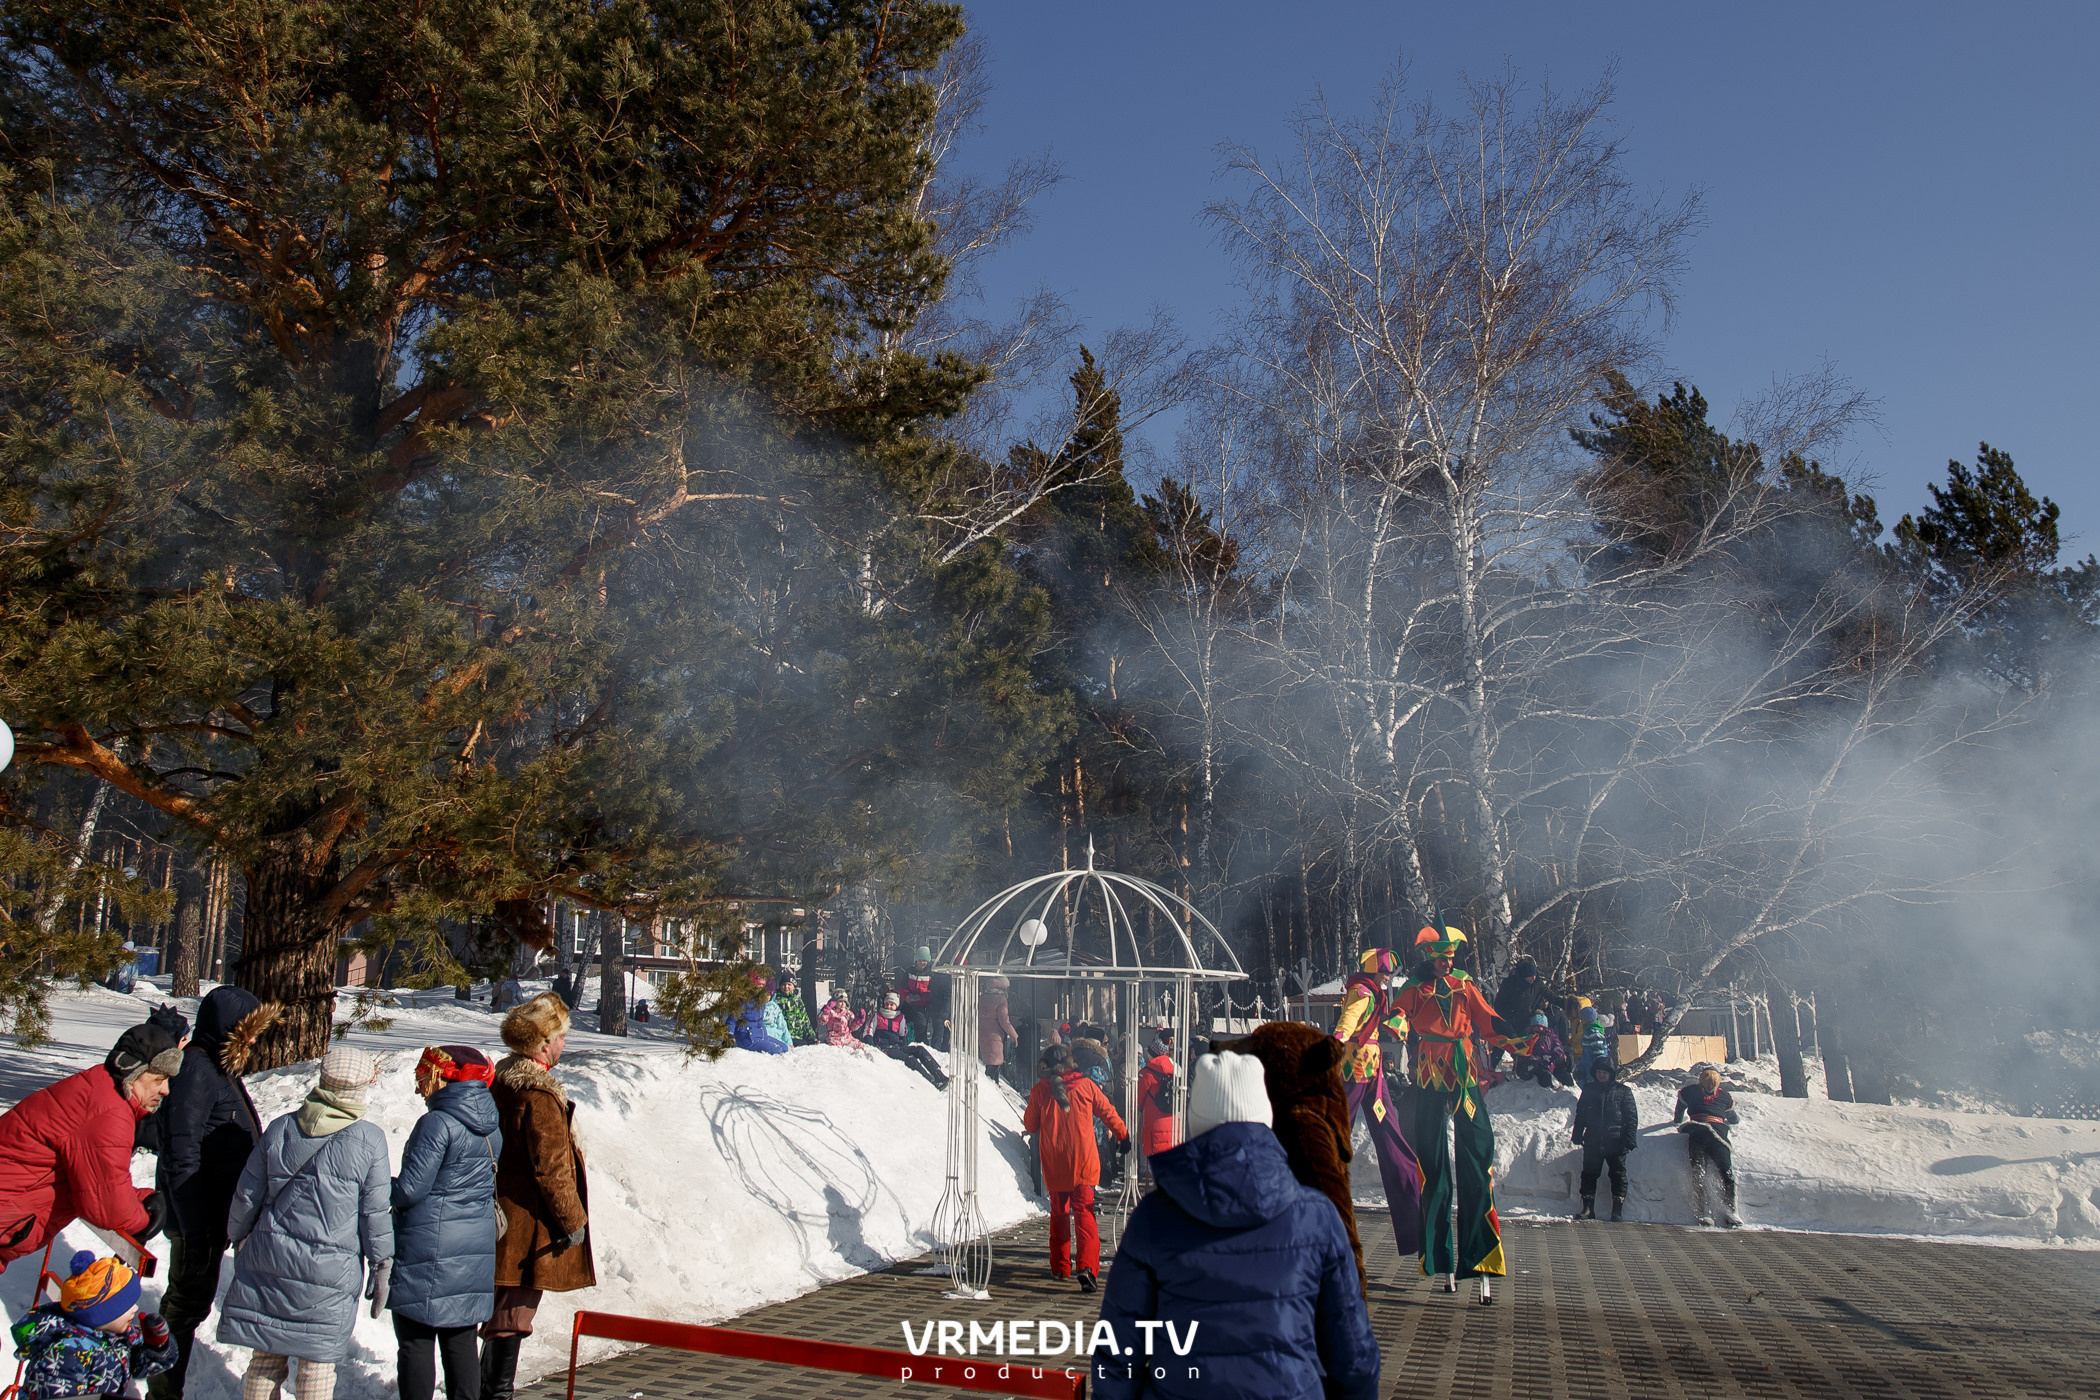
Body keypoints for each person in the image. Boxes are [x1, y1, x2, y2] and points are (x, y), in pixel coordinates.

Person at [1094, 1053, 1379, 1400]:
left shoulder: (1154, 1218)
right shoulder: (1317, 1217)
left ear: (1195, 1123)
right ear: (1265, 1120)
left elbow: (1118, 1348)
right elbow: (1354, 1354)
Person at [218, 1047, 393, 1400]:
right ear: (359, 1089)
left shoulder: (282, 1127)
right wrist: (382, 1264)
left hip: (269, 1260)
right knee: (316, 1366)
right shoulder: (369, 1140)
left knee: (265, 1358)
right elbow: (374, 1213)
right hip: (329, 1275)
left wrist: (237, 1235)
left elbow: (248, 1194)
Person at [1386, 926, 1538, 1301]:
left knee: (1476, 1160)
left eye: (1451, 957)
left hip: (1465, 1074)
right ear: (1429, 957)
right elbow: (1399, 1013)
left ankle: (1480, 1258)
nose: (1447, 962)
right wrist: (1396, 1025)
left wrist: (1518, 1042)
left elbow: (1488, 1021)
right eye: (1441, 957)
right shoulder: (1414, 988)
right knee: (1433, 1167)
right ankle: (1440, 1258)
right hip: (1429, 1078)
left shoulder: (1465, 985)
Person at [148, 986, 281, 1400]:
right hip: (196, 1216)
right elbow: (181, 1152)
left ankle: (163, 1386)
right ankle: (162, 1392)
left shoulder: (214, 1069)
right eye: (248, 1033)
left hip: (207, 1215)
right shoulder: (197, 1072)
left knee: (188, 1302)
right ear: (228, 1030)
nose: (255, 1041)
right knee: (186, 1306)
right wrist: (195, 1227)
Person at [486, 994, 595, 1400]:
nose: (565, 1044)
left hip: (502, 1214)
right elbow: (552, 1167)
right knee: (512, 1316)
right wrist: (572, 1220)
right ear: (544, 1040)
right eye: (562, 1036)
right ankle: (496, 1394)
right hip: (527, 1224)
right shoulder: (538, 1094)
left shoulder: (504, 1080)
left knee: (502, 1312)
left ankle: (491, 1390)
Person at [0, 1020, 177, 1267]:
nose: (166, 1090)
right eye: (159, 1079)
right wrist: (144, 1219)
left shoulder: (99, 1089)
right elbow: (107, 1207)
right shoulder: (110, 1112)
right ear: (133, 1072)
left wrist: (137, 1200)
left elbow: (94, 1182)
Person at [390, 1046, 502, 1400]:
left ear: (442, 1076)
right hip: (473, 1247)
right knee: (460, 1341)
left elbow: (410, 1189)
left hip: (430, 1248)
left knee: (416, 1341)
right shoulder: (489, 1125)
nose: (418, 1087)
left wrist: (377, 1184)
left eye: (423, 1078)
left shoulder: (436, 1123)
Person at [1330, 947, 1424, 1257]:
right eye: (1384, 972)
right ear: (1373, 971)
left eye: (1388, 973)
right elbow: (1348, 1020)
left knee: (1390, 1136)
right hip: (1356, 1069)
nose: (1387, 977)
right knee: (1336, 1135)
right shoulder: (1362, 990)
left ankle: (1415, 1209)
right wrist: (1336, 1042)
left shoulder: (1370, 990)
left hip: (1372, 1070)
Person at [1022, 1045, 1129, 1292]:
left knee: (1059, 1213)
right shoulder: (1086, 1085)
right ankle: (1088, 1268)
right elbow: (1107, 1112)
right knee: (1085, 1214)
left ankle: (1060, 1266)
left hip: (1055, 1161)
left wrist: (1036, 1100)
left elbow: (1030, 1124)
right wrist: (1123, 1136)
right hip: (1083, 1161)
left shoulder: (1041, 1090)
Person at [9, 1250, 178, 1400]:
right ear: (102, 1315)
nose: (136, 1309)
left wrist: (157, 1346)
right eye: (126, 1306)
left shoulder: (117, 1334)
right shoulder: (66, 1353)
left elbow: (141, 1367)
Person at [1569, 1059, 1639, 1221]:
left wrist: (1629, 1140)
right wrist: (1577, 1134)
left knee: (1618, 1175)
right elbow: (1581, 1114)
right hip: (1593, 1139)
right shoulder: (1589, 1090)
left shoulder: (1623, 1091)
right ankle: (1587, 1209)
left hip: (1616, 1140)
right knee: (1589, 1174)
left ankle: (1617, 1211)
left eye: (1604, 1073)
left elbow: (1631, 1118)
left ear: (1611, 1074)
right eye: (1599, 1072)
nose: (1601, 1075)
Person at [1674, 1066, 1742, 1227]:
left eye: (1713, 1082)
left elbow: (1733, 1118)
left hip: (1718, 1136)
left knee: (1727, 1172)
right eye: (1707, 1082)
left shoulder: (1725, 1097)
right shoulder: (1689, 1092)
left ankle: (1732, 1211)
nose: (1710, 1085)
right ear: (1701, 1082)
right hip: (1698, 1132)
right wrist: (1677, 1120)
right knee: (1698, 1173)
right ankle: (1704, 1212)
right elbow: (1679, 1112)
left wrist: (1734, 1120)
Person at [863, 994, 951, 1089]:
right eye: (887, 1004)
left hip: (897, 1046)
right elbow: (868, 1031)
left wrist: (903, 1045)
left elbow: (903, 1033)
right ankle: (931, 1081)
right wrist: (871, 1044)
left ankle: (939, 1075)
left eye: (891, 1004)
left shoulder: (900, 1017)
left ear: (896, 1005)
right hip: (885, 1047)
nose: (889, 1006)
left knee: (920, 1050)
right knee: (910, 1059)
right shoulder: (878, 1015)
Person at [1489, 956, 1547, 1071]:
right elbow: (1499, 1004)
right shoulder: (1510, 984)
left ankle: (1522, 1066)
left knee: (1523, 1045)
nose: (1533, 978)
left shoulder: (1535, 984)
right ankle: (1491, 1067)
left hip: (1524, 1020)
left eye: (1534, 975)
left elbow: (1542, 996)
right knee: (1504, 1043)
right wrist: (1506, 1018)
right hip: (1508, 1019)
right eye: (1531, 976)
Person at [1134, 1031, 1179, 1166]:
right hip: (1172, 1122)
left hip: (1153, 1124)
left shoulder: (1146, 1074)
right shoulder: (1175, 1070)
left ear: (1152, 1054)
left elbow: (1138, 1100)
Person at [729, 968, 790, 1055]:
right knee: (777, 1051)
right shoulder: (744, 1000)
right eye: (757, 987)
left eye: (762, 988)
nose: (759, 990)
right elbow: (732, 1019)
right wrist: (729, 1034)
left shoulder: (760, 1000)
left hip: (761, 1035)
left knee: (784, 1048)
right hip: (748, 1037)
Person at [1512, 1011, 1573, 1089]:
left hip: (1551, 1063)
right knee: (1545, 1078)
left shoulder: (1551, 1037)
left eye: (1538, 1027)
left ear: (1544, 1027)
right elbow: (1526, 1051)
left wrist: (1552, 1056)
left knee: (1566, 1078)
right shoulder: (1530, 1038)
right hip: (1539, 1065)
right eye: (1534, 1027)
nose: (1536, 1029)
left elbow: (1558, 1048)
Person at [978, 976, 1018, 1084]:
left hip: (982, 1034)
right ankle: (992, 1090)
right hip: (995, 1036)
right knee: (994, 1066)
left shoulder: (982, 997)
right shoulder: (1001, 999)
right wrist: (1013, 1035)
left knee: (988, 1063)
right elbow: (1004, 1020)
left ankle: (991, 1088)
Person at [898, 947, 936, 1045]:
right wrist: (907, 996)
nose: (922, 963)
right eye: (920, 960)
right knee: (901, 1019)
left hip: (922, 1005)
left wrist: (921, 997)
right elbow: (902, 986)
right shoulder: (910, 971)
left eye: (924, 960)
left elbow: (932, 991)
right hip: (909, 1003)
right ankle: (903, 1040)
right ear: (916, 960)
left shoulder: (930, 973)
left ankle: (920, 1043)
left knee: (921, 1025)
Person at [1572, 1006, 1612, 1088]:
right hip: (1587, 1067)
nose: (1581, 1021)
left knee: (1593, 1090)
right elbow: (1586, 1054)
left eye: (1582, 1019)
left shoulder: (1594, 1034)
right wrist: (1580, 1068)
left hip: (1593, 1070)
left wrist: (1597, 1072)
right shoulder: (1588, 1032)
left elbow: (1599, 1056)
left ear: (1587, 1020)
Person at [773, 973, 817, 1045]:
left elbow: (805, 1020)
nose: (786, 987)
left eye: (789, 984)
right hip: (782, 1036)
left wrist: (811, 1037)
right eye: (783, 985)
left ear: (794, 986)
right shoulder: (777, 1000)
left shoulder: (797, 1001)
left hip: (797, 1036)